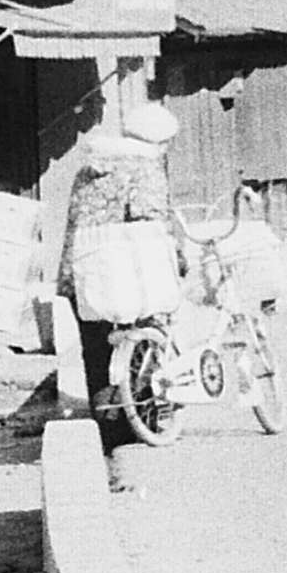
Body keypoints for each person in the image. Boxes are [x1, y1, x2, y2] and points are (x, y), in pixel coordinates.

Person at [53, 99, 182, 407]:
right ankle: (143, 413)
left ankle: (107, 424)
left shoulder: (91, 165)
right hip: (125, 271)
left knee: (96, 347)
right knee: (142, 338)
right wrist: (177, 256)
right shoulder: (145, 166)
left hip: (82, 272)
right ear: (159, 141)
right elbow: (150, 221)